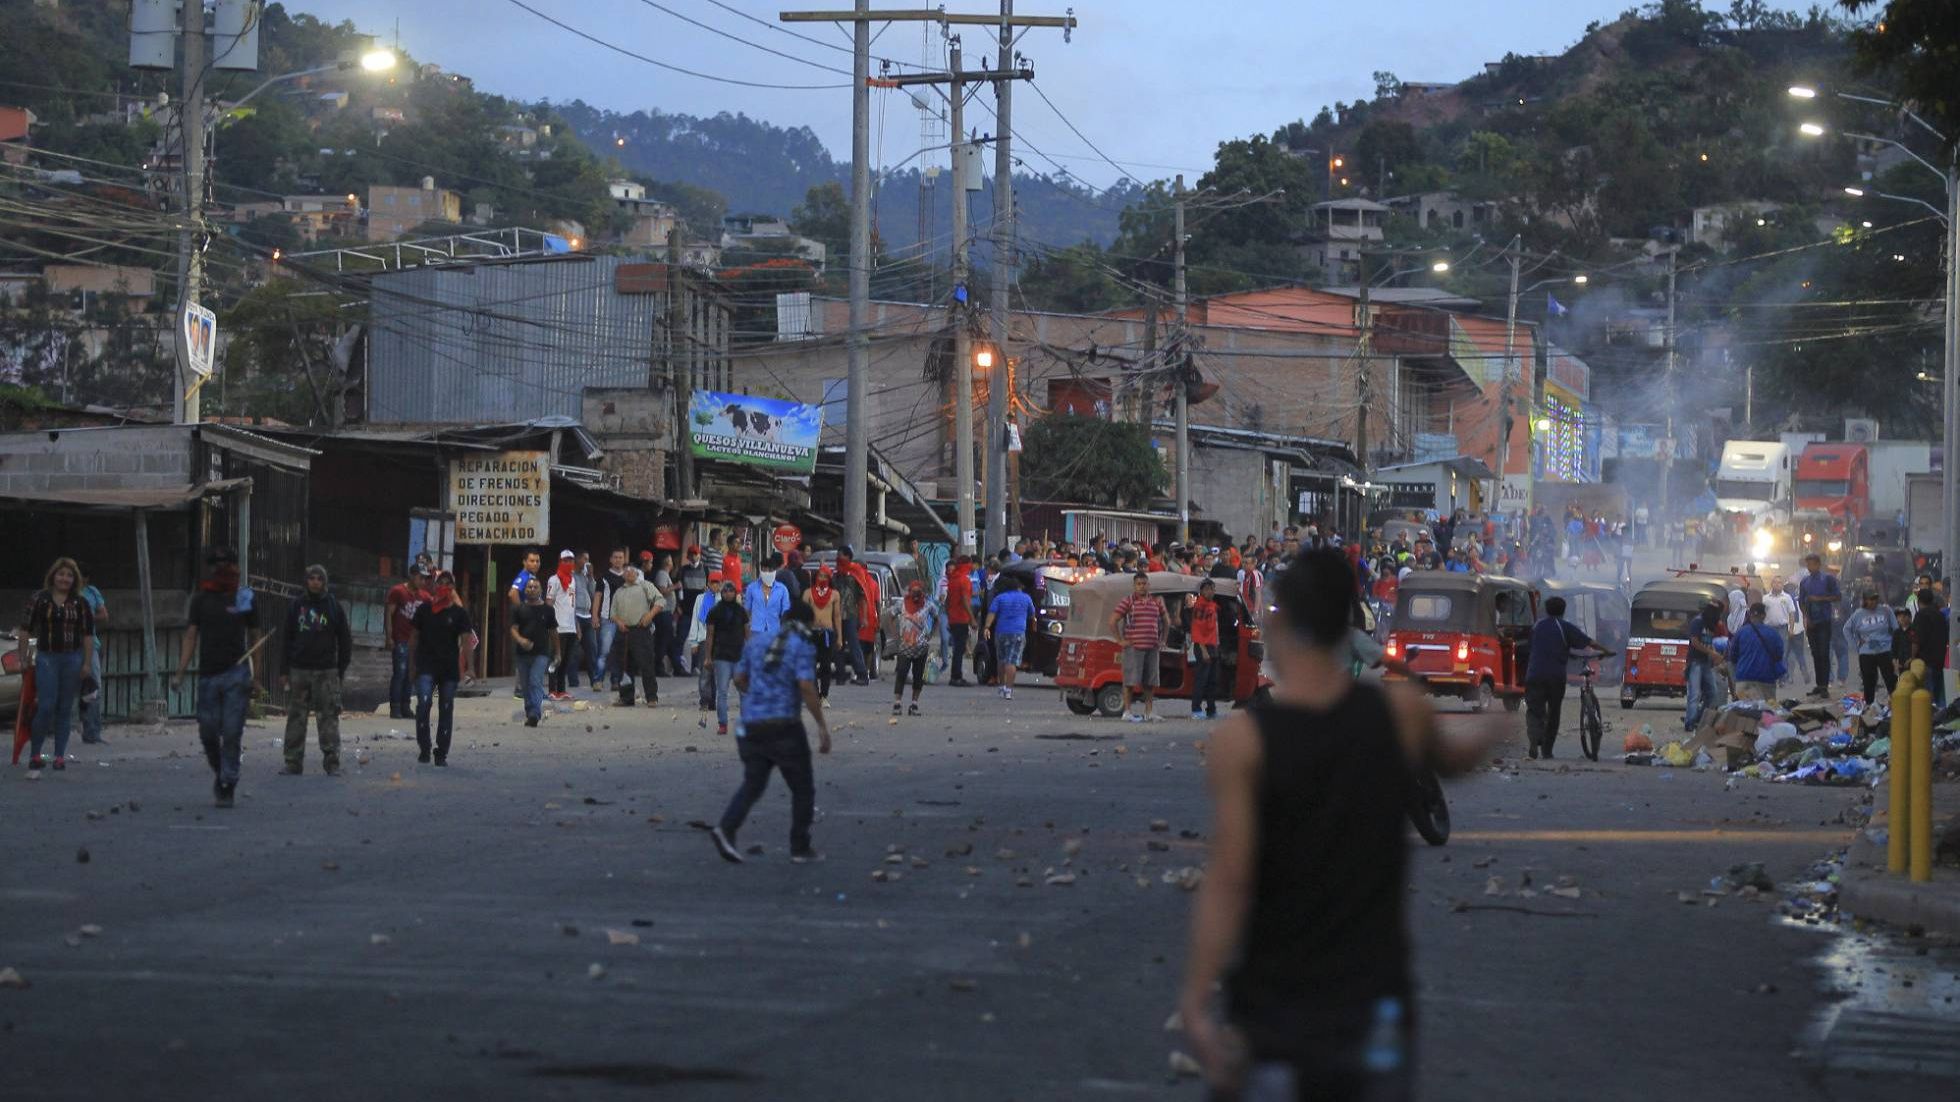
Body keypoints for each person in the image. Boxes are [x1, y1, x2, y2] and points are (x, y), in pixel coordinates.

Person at [1178, 549, 1497, 1098]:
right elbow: (1457, 758)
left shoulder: (1243, 741)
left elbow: (1228, 878)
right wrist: (1498, 722)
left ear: (1281, 622)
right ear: (1346, 625)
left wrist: (1196, 998)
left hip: (1273, 1005)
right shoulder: (1401, 716)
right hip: (1373, 1001)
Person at [708, 601, 830, 865]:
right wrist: (821, 725)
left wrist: (759, 696)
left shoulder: (756, 642)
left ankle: (726, 828)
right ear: (806, 624)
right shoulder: (802, 645)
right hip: (784, 725)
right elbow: (807, 686)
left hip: (751, 725)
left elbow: (740, 679)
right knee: (802, 788)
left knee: (754, 783)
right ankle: (799, 846)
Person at [175, 548, 256, 805]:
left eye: (227, 563)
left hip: (237, 673)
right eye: (216, 564)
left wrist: (258, 675)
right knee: (208, 732)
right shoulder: (201, 599)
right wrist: (180, 672)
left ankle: (227, 782)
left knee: (232, 732)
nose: (222, 569)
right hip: (208, 675)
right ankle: (221, 770)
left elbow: (256, 636)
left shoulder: (244, 596)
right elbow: (190, 636)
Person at [18, 557, 97, 773]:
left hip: (72, 658)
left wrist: (87, 663)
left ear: (75, 579)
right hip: (47, 658)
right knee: (45, 706)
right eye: (61, 574)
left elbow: (88, 635)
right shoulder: (39, 599)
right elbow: (25, 628)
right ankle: (36, 754)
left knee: (64, 709)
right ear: (53, 576)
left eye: (69, 575)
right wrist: (23, 657)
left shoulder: (81, 603)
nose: (65, 579)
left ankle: (59, 756)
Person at [278, 564, 352, 775]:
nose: (315, 582)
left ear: (324, 582)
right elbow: (286, 639)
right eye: (312, 578)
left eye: (319, 578)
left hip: (326, 671)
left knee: (328, 717)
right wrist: (284, 671)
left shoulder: (333, 606)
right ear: (306, 581)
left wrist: (340, 670)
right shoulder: (296, 606)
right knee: (296, 717)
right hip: (299, 670)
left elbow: (345, 640)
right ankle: (293, 761)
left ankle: (332, 761)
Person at [1522, 596, 1613, 759]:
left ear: (1546, 609)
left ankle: (1534, 743)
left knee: (1535, 712)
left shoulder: (1537, 626)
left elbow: (1532, 646)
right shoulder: (1564, 627)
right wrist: (1606, 650)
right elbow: (1588, 642)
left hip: (1534, 675)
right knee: (1554, 713)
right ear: (1563, 611)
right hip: (1555, 677)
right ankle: (1547, 751)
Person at [411, 571, 473, 765]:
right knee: (423, 704)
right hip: (426, 666)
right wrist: (412, 666)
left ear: (453, 588)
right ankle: (424, 747)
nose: (444, 586)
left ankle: (441, 752)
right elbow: (413, 638)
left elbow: (466, 641)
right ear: (435, 585)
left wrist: (470, 667)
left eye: (448, 583)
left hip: (448, 669)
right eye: (441, 582)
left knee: (446, 708)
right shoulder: (424, 610)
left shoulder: (459, 614)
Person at [1109, 572, 1168, 722]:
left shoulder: (1156, 602)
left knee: (1150, 681)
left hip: (1152, 647)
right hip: (1133, 648)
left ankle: (1149, 712)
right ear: (1134, 586)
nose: (1142, 586)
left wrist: (1163, 640)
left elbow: (1166, 621)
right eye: (1139, 584)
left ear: (1149, 585)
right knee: (1129, 681)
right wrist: (1120, 641)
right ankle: (1127, 711)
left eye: (1144, 583)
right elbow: (1113, 621)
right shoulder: (1128, 601)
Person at [611, 565, 663, 707]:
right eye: (626, 571)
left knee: (646, 664)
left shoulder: (645, 586)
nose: (629, 573)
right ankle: (627, 697)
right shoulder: (619, 592)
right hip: (624, 632)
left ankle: (652, 697)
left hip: (641, 630)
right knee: (624, 666)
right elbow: (613, 613)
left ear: (637, 573)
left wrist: (650, 615)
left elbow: (660, 601)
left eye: (631, 571)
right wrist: (618, 621)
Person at [702, 577, 749, 735]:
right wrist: (708, 657)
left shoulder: (741, 611)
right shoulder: (715, 611)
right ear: (721, 593)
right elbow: (710, 634)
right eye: (725, 590)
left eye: (731, 590)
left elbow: (747, 633)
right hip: (721, 656)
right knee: (722, 692)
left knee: (743, 691)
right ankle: (723, 723)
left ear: (735, 593)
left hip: (739, 655)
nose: (728, 593)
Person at [891, 580, 943, 716]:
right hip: (904, 646)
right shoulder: (902, 603)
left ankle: (914, 704)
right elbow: (890, 616)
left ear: (922, 594)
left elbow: (937, 618)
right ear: (909, 592)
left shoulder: (928, 605)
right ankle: (897, 703)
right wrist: (895, 634)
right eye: (913, 593)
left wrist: (931, 634)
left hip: (921, 647)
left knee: (918, 676)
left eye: (918, 593)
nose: (915, 596)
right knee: (901, 674)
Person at [510, 576, 556, 727]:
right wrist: (521, 640)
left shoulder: (548, 610)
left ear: (541, 590)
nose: (532, 589)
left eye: (535, 587)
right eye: (529, 587)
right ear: (525, 590)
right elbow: (513, 629)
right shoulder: (519, 609)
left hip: (541, 653)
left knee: (535, 681)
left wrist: (558, 652)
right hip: (522, 654)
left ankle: (535, 713)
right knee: (525, 685)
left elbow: (553, 632)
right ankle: (530, 711)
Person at [983, 573, 1036, 701]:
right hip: (1018, 632)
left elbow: (992, 613)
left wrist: (986, 627)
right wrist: (1033, 626)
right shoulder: (1026, 598)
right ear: (1018, 587)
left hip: (1001, 631)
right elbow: (1032, 615)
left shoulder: (1000, 598)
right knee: (1012, 661)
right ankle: (1008, 690)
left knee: (1001, 660)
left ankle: (1001, 687)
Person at [384, 568, 427, 720]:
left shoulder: (424, 596)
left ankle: (405, 706)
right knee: (400, 673)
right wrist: (389, 637)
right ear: (412, 576)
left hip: (415, 643)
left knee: (410, 674)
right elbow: (389, 614)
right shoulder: (398, 591)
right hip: (401, 639)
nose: (423, 582)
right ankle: (395, 707)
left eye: (425, 579)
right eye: (421, 578)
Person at [1843, 589, 1898, 706]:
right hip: (1866, 652)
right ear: (1865, 600)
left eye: (1875, 599)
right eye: (1870, 599)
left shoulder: (1886, 610)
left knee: (1890, 680)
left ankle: (1896, 704)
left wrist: (1894, 645)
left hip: (1885, 649)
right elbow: (1846, 629)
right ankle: (1869, 707)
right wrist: (1856, 645)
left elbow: (1896, 628)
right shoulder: (1858, 614)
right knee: (1869, 682)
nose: (1873, 602)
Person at [1797, 553, 1841, 698]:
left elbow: (1837, 596)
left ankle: (1825, 685)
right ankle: (1819, 684)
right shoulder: (1805, 582)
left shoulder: (1828, 579)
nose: (1809, 567)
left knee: (1823, 653)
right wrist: (1806, 617)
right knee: (1815, 654)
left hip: (1824, 620)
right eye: (1807, 564)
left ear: (1818, 564)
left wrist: (1820, 598)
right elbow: (1801, 601)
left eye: (1812, 564)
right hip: (1811, 622)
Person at [74, 566, 108, 746]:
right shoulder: (67, 593)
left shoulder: (91, 592)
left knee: (93, 688)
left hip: (91, 644)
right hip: (69, 645)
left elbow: (103, 614)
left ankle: (92, 732)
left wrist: (86, 617)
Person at [1682, 600, 1728, 732]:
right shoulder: (1698, 622)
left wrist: (1715, 656)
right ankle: (1689, 722)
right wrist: (1711, 653)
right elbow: (1695, 642)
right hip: (1695, 662)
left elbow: (1710, 642)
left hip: (1707, 663)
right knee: (1694, 694)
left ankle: (1698, 718)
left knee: (1712, 694)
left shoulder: (1711, 624)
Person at [1730, 602, 1787, 702]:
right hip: (1766, 680)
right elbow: (1779, 654)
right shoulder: (1773, 633)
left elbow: (1733, 656)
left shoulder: (1741, 632)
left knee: (1743, 712)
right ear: (1764, 616)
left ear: (1750, 615)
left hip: (1744, 679)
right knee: (1767, 713)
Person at [834, 546, 872, 685]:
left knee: (854, 645)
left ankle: (862, 674)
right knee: (837, 645)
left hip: (850, 615)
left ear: (848, 557)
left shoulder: (855, 572)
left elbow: (862, 596)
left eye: (841, 555)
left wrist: (864, 617)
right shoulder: (836, 574)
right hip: (836, 615)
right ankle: (841, 674)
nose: (838, 558)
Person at [804, 567, 842, 701]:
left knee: (826, 665)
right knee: (811, 665)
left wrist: (840, 638)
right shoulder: (808, 593)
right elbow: (803, 615)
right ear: (815, 577)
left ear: (830, 578)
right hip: (811, 633)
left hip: (827, 633)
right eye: (820, 576)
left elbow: (837, 617)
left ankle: (824, 695)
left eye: (826, 576)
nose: (822, 579)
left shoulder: (835, 594)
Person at [1188, 578, 1223, 720]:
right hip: (1204, 646)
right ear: (1201, 591)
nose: (1210, 592)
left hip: (1213, 645)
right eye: (1207, 589)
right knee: (1201, 679)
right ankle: (1196, 709)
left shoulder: (1212, 606)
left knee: (1212, 680)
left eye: (1212, 589)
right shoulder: (1199, 607)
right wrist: (1203, 650)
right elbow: (1197, 629)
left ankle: (1211, 709)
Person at [1910, 587, 1949, 708]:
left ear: (1918, 600)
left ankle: (1928, 722)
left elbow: (1916, 640)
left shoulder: (1920, 616)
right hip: (1939, 661)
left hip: (1925, 662)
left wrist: (1911, 658)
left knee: (1926, 696)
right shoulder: (1940, 615)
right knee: (1938, 695)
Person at [744, 553, 793, 638]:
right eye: (764, 570)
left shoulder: (782, 589)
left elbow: (785, 611)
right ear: (761, 570)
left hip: (774, 631)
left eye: (770, 570)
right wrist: (746, 632)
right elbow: (747, 610)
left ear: (774, 571)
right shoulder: (751, 588)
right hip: (755, 631)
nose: (767, 572)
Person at [944, 556, 975, 687]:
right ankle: (956, 676)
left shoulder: (952, 580)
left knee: (958, 647)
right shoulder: (964, 580)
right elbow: (965, 600)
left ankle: (955, 675)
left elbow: (947, 601)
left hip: (953, 618)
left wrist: (949, 614)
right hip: (961, 618)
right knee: (959, 648)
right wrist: (972, 618)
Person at [571, 551, 596, 688]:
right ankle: (574, 682)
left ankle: (595, 680)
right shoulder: (571, 576)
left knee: (592, 649)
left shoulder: (585, 576)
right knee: (574, 651)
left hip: (587, 615)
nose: (587, 562)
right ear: (578, 559)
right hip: (576, 615)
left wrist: (591, 577)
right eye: (585, 559)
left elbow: (593, 593)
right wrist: (574, 619)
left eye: (588, 559)